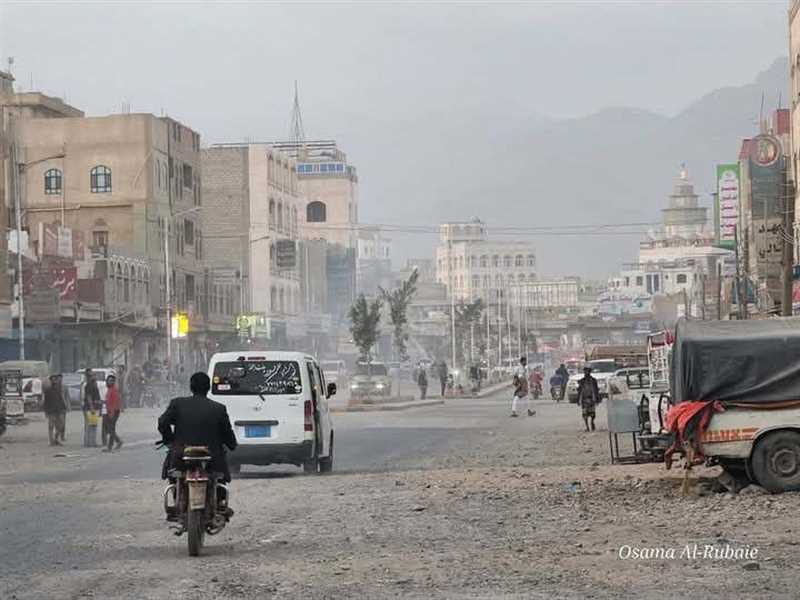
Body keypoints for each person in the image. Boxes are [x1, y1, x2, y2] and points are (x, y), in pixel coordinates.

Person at [157, 372, 238, 519]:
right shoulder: (218, 408)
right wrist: (232, 444)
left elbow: (162, 422)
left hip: (182, 454)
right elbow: (228, 434)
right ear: (208, 388)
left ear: (191, 387)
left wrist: (170, 440)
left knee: (174, 473)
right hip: (212, 457)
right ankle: (219, 502)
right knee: (219, 476)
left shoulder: (177, 403)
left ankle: (177, 501)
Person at [43, 374, 69, 446]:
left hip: (59, 410)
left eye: (56, 379)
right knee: (51, 426)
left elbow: (61, 399)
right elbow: (46, 402)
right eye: (53, 379)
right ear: (51, 381)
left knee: (61, 425)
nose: (55, 381)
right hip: (51, 411)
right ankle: (52, 441)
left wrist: (64, 407)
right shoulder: (48, 390)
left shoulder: (59, 389)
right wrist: (46, 411)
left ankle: (56, 438)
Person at [103, 374, 123, 452]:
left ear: (113, 382)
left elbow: (115, 402)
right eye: (109, 380)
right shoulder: (110, 389)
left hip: (113, 411)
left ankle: (118, 441)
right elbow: (109, 401)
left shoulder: (114, 390)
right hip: (110, 411)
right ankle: (110, 447)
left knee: (110, 429)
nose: (110, 382)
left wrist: (111, 413)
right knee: (111, 429)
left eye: (111, 381)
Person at [82, 369, 102, 447]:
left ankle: (88, 442)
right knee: (91, 426)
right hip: (90, 408)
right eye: (93, 375)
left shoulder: (92, 385)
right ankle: (91, 443)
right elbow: (89, 397)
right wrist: (92, 408)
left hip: (91, 407)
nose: (95, 376)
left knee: (90, 425)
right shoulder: (89, 385)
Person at [576, 366, 600, 432]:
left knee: (592, 414)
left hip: (592, 399)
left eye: (586, 371)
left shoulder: (593, 380)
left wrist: (597, 399)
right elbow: (579, 391)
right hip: (584, 399)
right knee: (585, 414)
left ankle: (592, 422)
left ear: (589, 372)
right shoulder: (582, 381)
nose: (585, 372)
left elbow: (596, 390)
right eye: (584, 371)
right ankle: (587, 427)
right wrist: (578, 400)